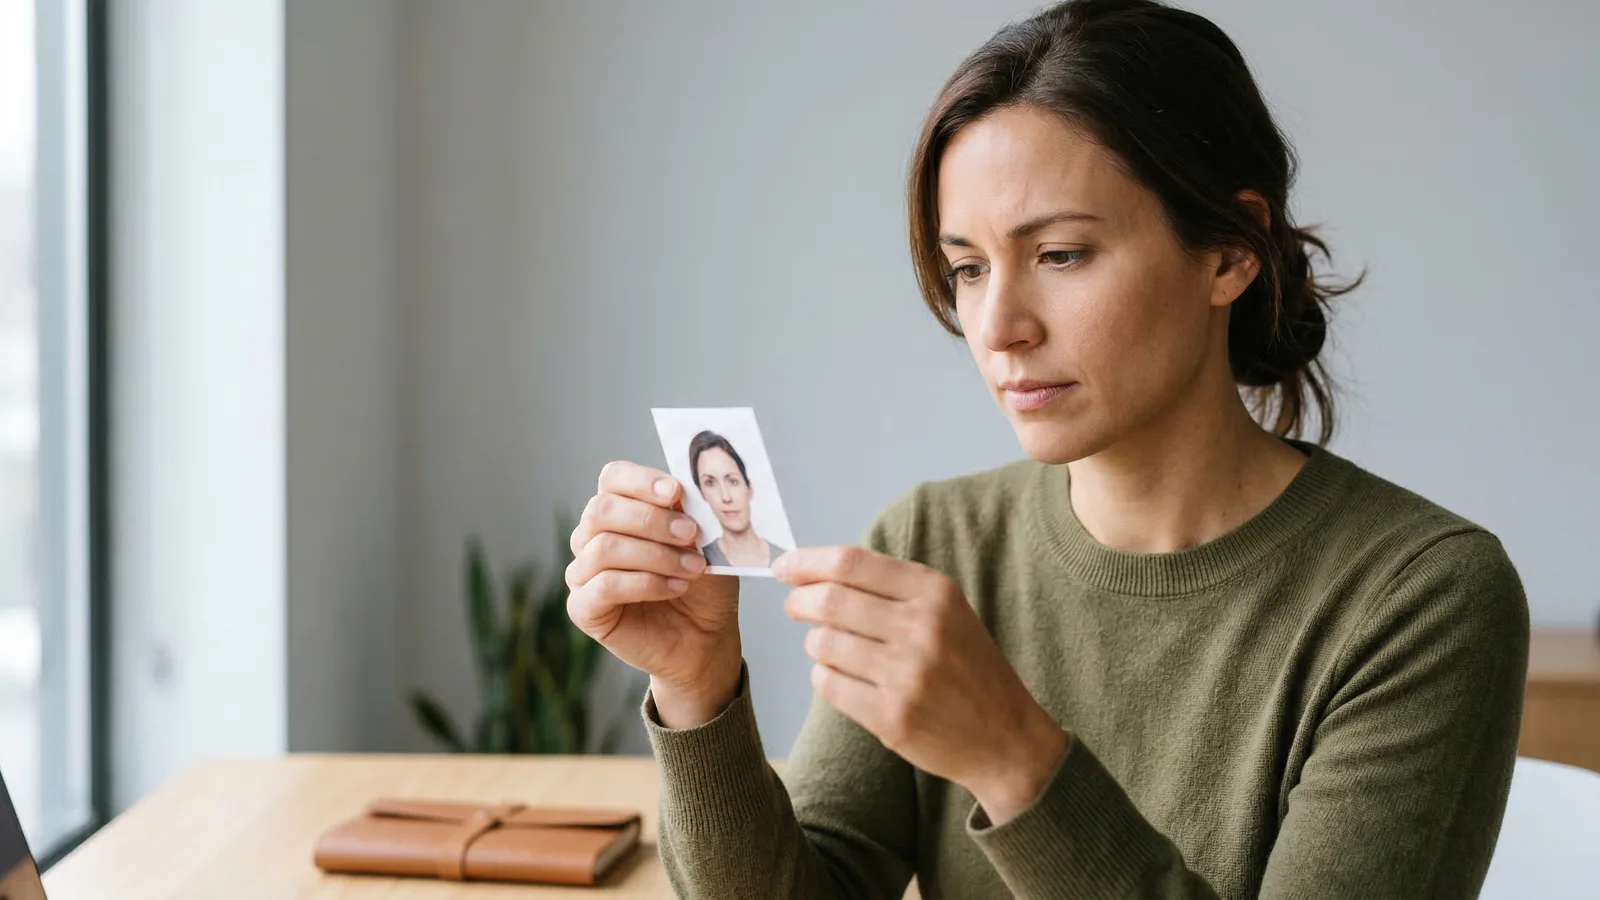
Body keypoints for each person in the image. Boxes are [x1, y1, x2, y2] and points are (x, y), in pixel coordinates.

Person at [564, 1, 1528, 897]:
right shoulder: (935, 537)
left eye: (1060, 255)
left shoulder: (1423, 599)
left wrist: (1015, 760)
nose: (999, 326)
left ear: (1231, 253)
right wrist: (696, 692)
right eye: (968, 269)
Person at [687, 430, 788, 567]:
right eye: (710, 483)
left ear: (749, 488)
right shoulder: (698, 562)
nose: (726, 497)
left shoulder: (785, 559)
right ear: (702, 493)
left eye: (733, 481)